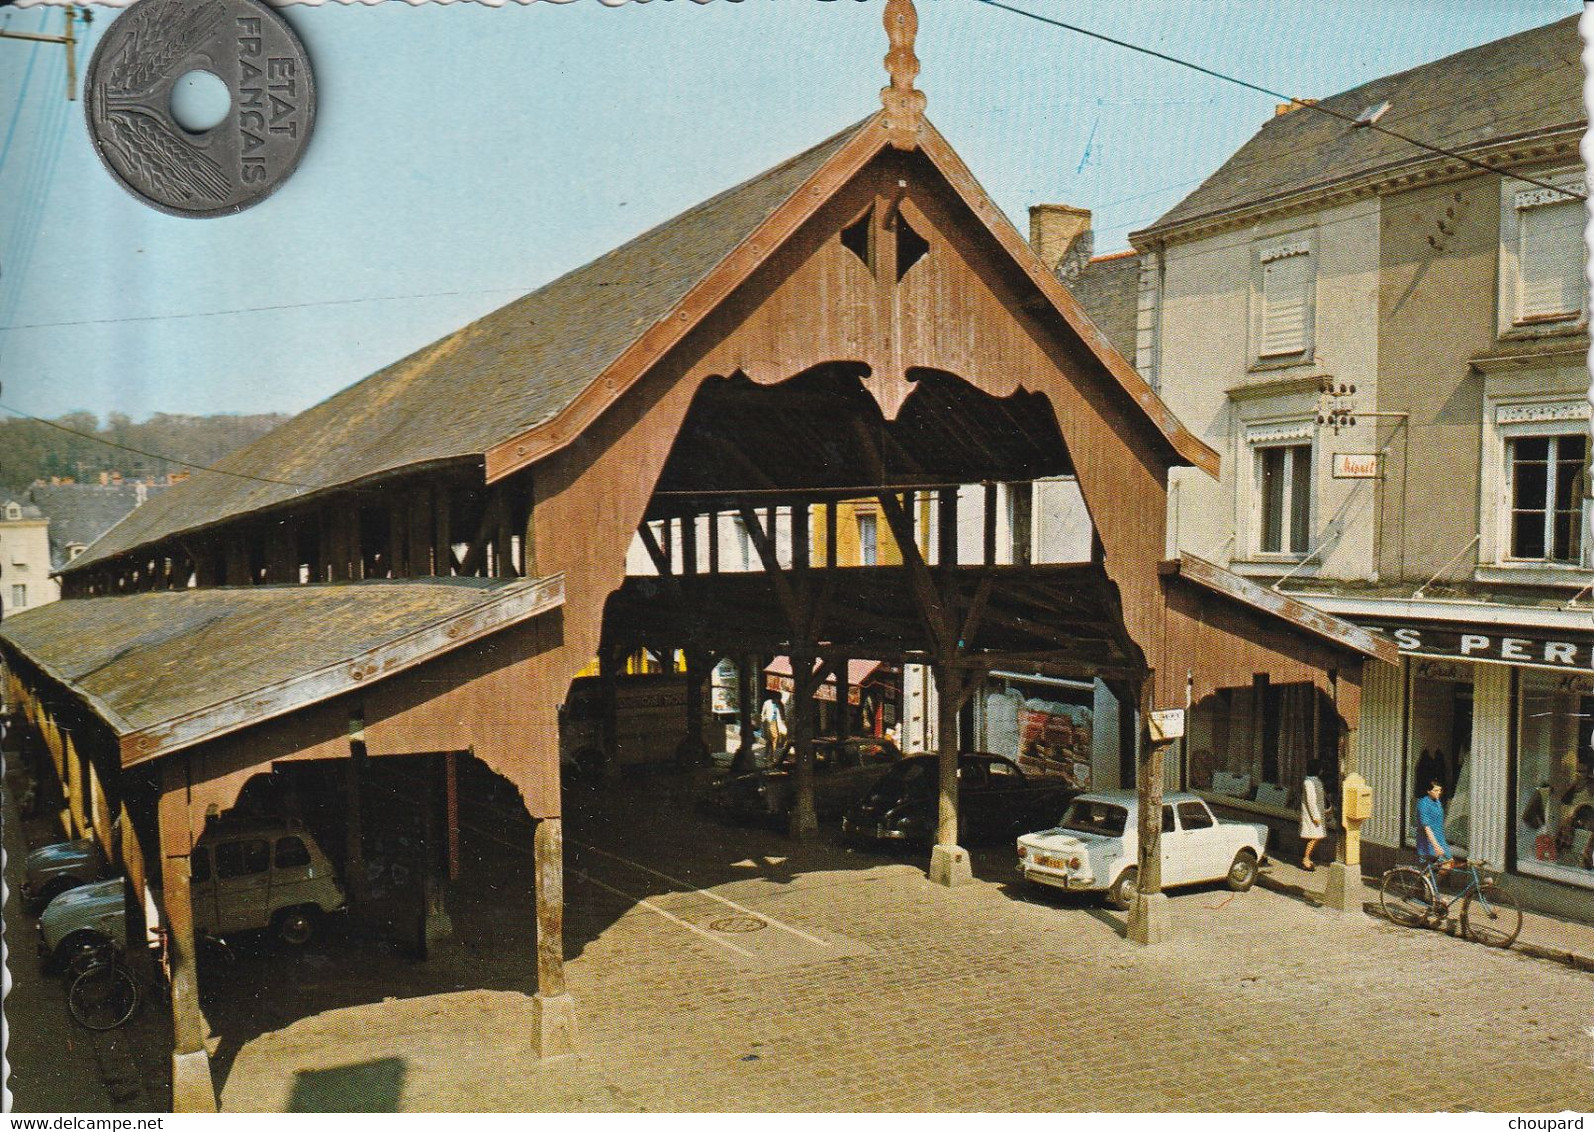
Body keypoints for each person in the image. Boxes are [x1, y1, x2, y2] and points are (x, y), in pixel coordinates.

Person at [1416, 779, 1454, 875]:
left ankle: (1428, 885)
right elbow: (1426, 827)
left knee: (1449, 864)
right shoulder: (1423, 804)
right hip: (1428, 842)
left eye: (1440, 790)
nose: (1439, 793)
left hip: (1440, 840)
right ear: (1428, 791)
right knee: (1444, 865)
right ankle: (1427, 885)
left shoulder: (1437, 802)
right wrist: (1436, 845)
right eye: (1436, 790)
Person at [1299, 763, 1327, 871]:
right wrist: (1315, 816)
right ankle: (1305, 859)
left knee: (1315, 836)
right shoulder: (1309, 782)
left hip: (1317, 812)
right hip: (1312, 814)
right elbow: (1311, 801)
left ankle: (1307, 858)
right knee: (1315, 836)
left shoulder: (1315, 781)